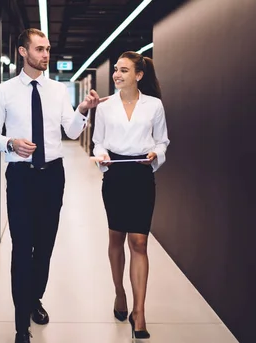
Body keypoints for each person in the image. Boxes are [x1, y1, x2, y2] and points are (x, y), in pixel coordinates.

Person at [0, 28, 105, 343]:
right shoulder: (4, 91)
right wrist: (10, 143)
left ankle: (34, 297)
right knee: (22, 248)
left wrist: (83, 111)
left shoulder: (57, 91)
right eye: (39, 49)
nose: (46, 55)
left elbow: (71, 128)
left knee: (45, 247)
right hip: (21, 177)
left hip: (53, 175)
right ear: (23, 52)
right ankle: (20, 322)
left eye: (48, 49)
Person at [92, 51, 170, 339]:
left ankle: (140, 312)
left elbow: (163, 141)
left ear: (139, 75)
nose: (117, 74)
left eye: (124, 70)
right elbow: (98, 142)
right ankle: (119, 293)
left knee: (139, 241)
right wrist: (101, 157)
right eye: (116, 69)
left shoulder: (154, 106)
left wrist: (155, 153)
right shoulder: (105, 106)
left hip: (140, 175)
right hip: (115, 175)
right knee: (116, 238)